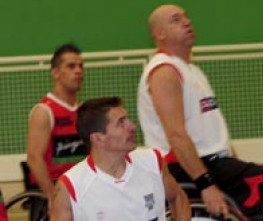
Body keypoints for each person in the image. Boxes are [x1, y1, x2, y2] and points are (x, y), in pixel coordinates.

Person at [137, 4, 263, 218]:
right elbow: (176, 136)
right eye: (176, 20)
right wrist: (206, 185)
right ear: (159, 34)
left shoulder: (192, 70)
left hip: (216, 163)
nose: (186, 22)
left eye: (186, 16)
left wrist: (234, 160)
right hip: (185, 167)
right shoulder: (164, 71)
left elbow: (212, 132)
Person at [50, 96, 189, 221]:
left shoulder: (153, 162)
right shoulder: (70, 187)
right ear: (98, 138)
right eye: (121, 123)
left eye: (127, 120)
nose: (132, 127)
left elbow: (177, 198)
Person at [26, 44, 88, 200]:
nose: (78, 71)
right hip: (55, 190)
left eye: (81, 66)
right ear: (55, 73)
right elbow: (34, 158)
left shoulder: (84, 111)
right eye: (71, 66)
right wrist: (52, 197)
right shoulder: (44, 111)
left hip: (82, 188)